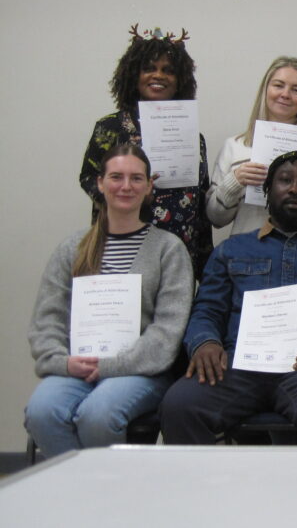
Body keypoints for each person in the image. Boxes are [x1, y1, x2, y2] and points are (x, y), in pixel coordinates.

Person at [160, 151, 297, 445]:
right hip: (236, 365)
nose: (295, 188)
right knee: (179, 405)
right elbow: (207, 310)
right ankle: (210, 476)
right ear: (267, 191)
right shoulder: (231, 250)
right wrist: (205, 342)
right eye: (285, 180)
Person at [26, 144, 193, 458]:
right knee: (41, 412)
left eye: (136, 178)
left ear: (149, 186)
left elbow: (167, 331)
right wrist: (62, 362)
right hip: (75, 367)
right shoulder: (72, 248)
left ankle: (108, 488)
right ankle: (84, 486)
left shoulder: (168, 249)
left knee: (98, 415)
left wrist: (109, 366)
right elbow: (47, 319)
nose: (126, 186)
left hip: (140, 372)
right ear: (100, 183)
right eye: (116, 177)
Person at [79, 25, 213, 279]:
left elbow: (201, 201)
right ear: (133, 75)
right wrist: (132, 195)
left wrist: (205, 268)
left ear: (180, 80)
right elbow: (88, 178)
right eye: (149, 68)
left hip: (180, 253)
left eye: (168, 70)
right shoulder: (110, 127)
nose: (158, 75)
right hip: (122, 248)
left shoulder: (194, 137)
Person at [207, 56, 297, 236]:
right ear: (265, 90)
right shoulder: (234, 147)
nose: (285, 94)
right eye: (278, 85)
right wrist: (234, 182)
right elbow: (215, 219)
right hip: (247, 251)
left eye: (296, 90)